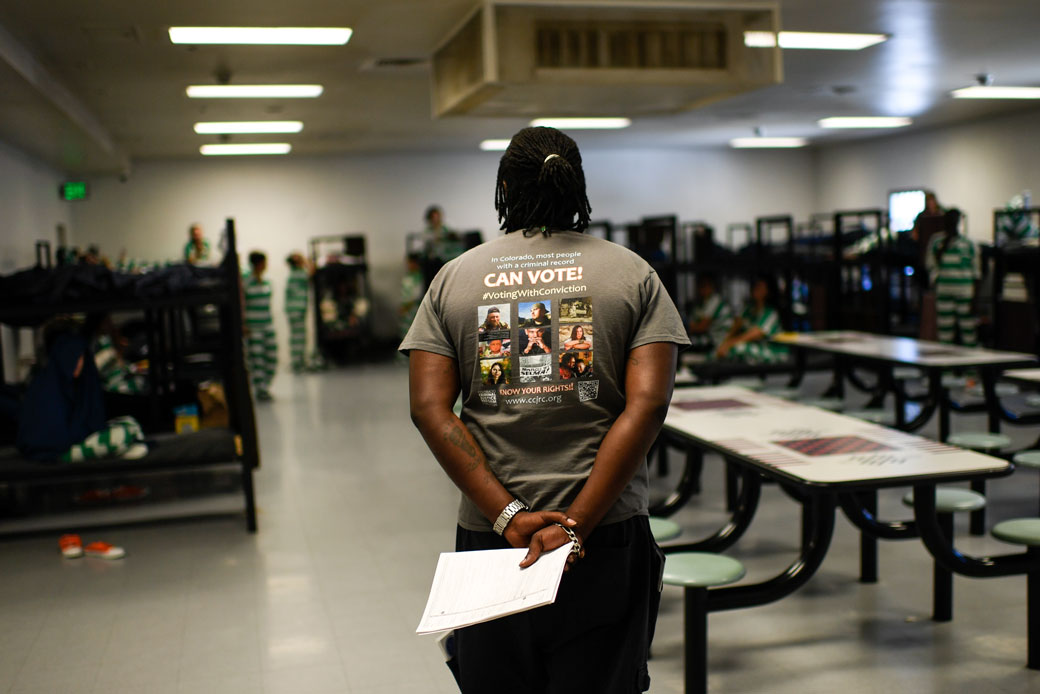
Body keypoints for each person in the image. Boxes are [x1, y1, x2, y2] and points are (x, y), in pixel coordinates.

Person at [401, 125, 689, 693]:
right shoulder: (633, 274)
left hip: (492, 538)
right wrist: (577, 524)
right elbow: (649, 403)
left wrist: (508, 515)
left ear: (505, 187)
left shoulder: (454, 279)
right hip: (605, 534)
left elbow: (430, 409)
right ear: (578, 187)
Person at [17, 329, 145, 463]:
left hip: (76, 442)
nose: (79, 363)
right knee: (122, 437)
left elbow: (91, 420)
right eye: (73, 357)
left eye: (82, 357)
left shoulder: (79, 385)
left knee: (129, 424)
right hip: (59, 452)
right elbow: (47, 436)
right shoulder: (47, 387)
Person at [927, 208, 980, 346]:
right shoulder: (936, 242)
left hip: (965, 293)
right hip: (944, 291)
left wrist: (975, 298)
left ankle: (971, 367)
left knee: (968, 331)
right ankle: (946, 367)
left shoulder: (969, 244)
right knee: (945, 334)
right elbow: (931, 265)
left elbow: (976, 273)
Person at [714, 276, 786, 363]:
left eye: (759, 287)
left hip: (772, 351)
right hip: (753, 346)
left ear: (768, 291)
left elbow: (755, 333)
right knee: (720, 346)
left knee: (738, 348)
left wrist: (730, 343)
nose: (755, 289)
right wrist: (725, 341)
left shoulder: (770, 313)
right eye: (754, 286)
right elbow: (737, 325)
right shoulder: (749, 309)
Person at [244, 251, 277, 400]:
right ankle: (260, 389)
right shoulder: (245, 282)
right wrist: (244, 325)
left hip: (268, 325)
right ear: (257, 264)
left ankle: (266, 384)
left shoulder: (267, 281)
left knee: (272, 357)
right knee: (257, 359)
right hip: (253, 327)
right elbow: (242, 306)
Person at [687, 273, 733, 352]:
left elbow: (702, 326)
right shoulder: (700, 303)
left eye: (705, 285)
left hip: (722, 339)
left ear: (712, 286)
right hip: (711, 338)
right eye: (700, 285)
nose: (703, 289)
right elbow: (693, 324)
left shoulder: (715, 300)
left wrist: (688, 328)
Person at [285, 252, 313, 373]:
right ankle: (298, 363)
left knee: (297, 336)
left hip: (294, 310)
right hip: (296, 310)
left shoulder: (294, 274)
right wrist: (307, 261)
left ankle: (298, 362)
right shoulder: (298, 274)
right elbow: (312, 271)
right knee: (299, 337)